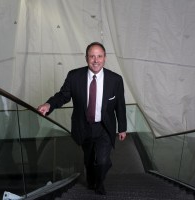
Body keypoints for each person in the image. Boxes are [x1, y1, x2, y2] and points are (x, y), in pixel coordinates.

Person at [37, 42, 127, 195]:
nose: (96, 60)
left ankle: (99, 183)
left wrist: (122, 127)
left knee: (103, 160)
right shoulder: (74, 76)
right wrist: (49, 105)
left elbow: (120, 105)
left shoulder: (115, 80)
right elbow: (63, 96)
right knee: (88, 160)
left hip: (105, 127)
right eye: (92, 56)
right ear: (86, 58)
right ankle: (91, 180)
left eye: (99, 56)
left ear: (105, 58)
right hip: (83, 126)